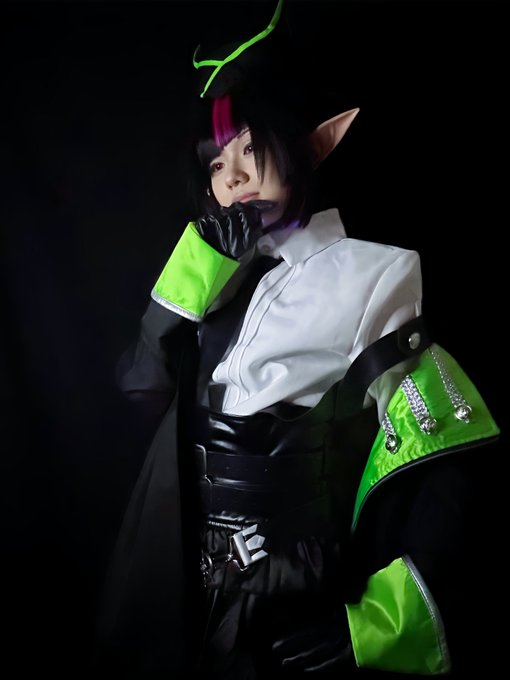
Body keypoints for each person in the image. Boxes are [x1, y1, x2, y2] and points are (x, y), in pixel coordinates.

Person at [93, 1, 500, 678]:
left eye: (251, 148)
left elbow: (448, 457)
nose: (232, 177)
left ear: (318, 142)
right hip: (183, 586)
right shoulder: (213, 275)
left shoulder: (374, 274)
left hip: (289, 596)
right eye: (216, 161)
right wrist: (197, 270)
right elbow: (141, 384)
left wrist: (378, 622)